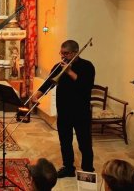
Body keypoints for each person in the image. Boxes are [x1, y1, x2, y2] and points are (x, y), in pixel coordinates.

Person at [32, 40, 95, 178]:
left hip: (81, 112)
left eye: (66, 53)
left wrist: (70, 72)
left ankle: (88, 169)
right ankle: (68, 167)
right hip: (64, 111)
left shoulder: (87, 66)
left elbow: (86, 86)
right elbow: (48, 83)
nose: (63, 56)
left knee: (84, 143)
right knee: (65, 142)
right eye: (62, 53)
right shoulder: (58, 66)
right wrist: (37, 94)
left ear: (75, 52)